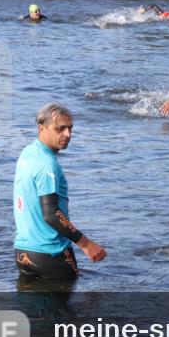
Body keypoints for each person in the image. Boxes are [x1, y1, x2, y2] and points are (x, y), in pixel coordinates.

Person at [14, 103, 107, 281]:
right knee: (68, 308)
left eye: (70, 128)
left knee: (31, 308)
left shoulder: (27, 154)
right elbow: (52, 214)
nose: (68, 134)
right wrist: (86, 244)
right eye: (60, 129)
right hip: (51, 254)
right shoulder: (47, 164)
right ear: (41, 128)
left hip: (23, 252)